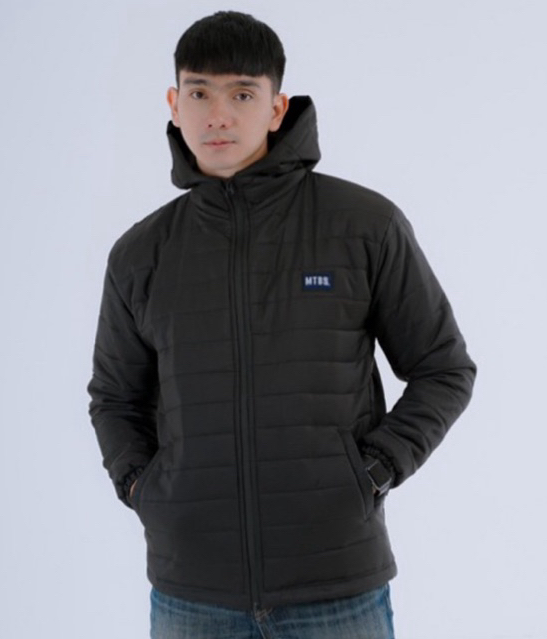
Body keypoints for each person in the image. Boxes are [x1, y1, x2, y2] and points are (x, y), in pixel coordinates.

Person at [87, 10, 476, 639]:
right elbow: (114, 397)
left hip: (336, 588)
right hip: (193, 594)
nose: (218, 116)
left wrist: (374, 470)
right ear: (174, 105)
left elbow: (444, 368)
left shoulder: (363, 225)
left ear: (276, 108)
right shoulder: (141, 254)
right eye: (199, 94)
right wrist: (142, 487)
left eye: (242, 94)